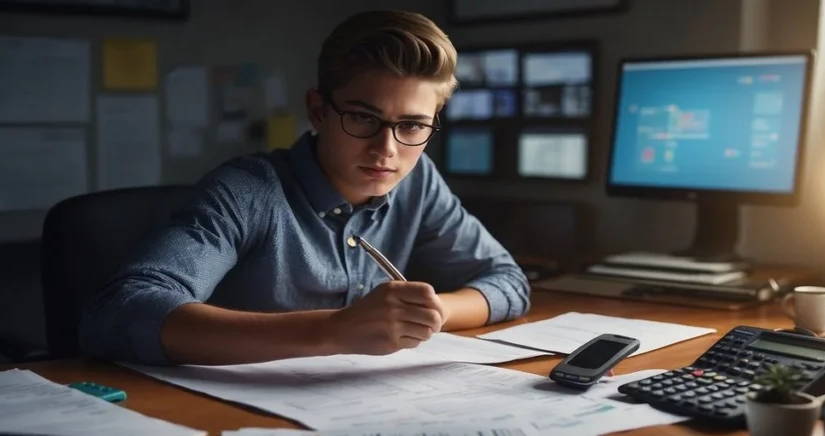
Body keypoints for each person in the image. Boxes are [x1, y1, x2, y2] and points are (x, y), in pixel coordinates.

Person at [79, 10, 530, 367]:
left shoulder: (419, 180)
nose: (386, 150)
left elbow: (509, 283)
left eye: (412, 125)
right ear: (317, 110)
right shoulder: (247, 191)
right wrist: (332, 331)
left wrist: (427, 316)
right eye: (362, 117)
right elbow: (120, 313)